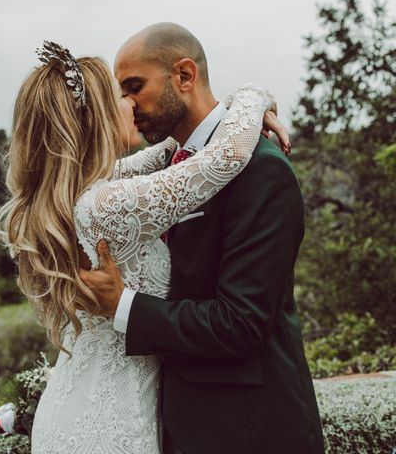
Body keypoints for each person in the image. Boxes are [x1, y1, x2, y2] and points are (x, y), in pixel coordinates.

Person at [0, 39, 284, 453]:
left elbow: (175, 151)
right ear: (95, 119)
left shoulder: (81, 191)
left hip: (76, 405)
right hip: (109, 421)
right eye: (120, 95)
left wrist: (230, 109)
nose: (131, 104)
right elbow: (223, 157)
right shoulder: (105, 204)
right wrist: (255, 95)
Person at [79, 23, 325, 454]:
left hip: (248, 430)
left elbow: (242, 324)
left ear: (185, 76)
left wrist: (124, 306)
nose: (127, 105)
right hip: (175, 423)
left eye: (135, 87)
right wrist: (251, 101)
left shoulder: (260, 169)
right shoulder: (166, 168)